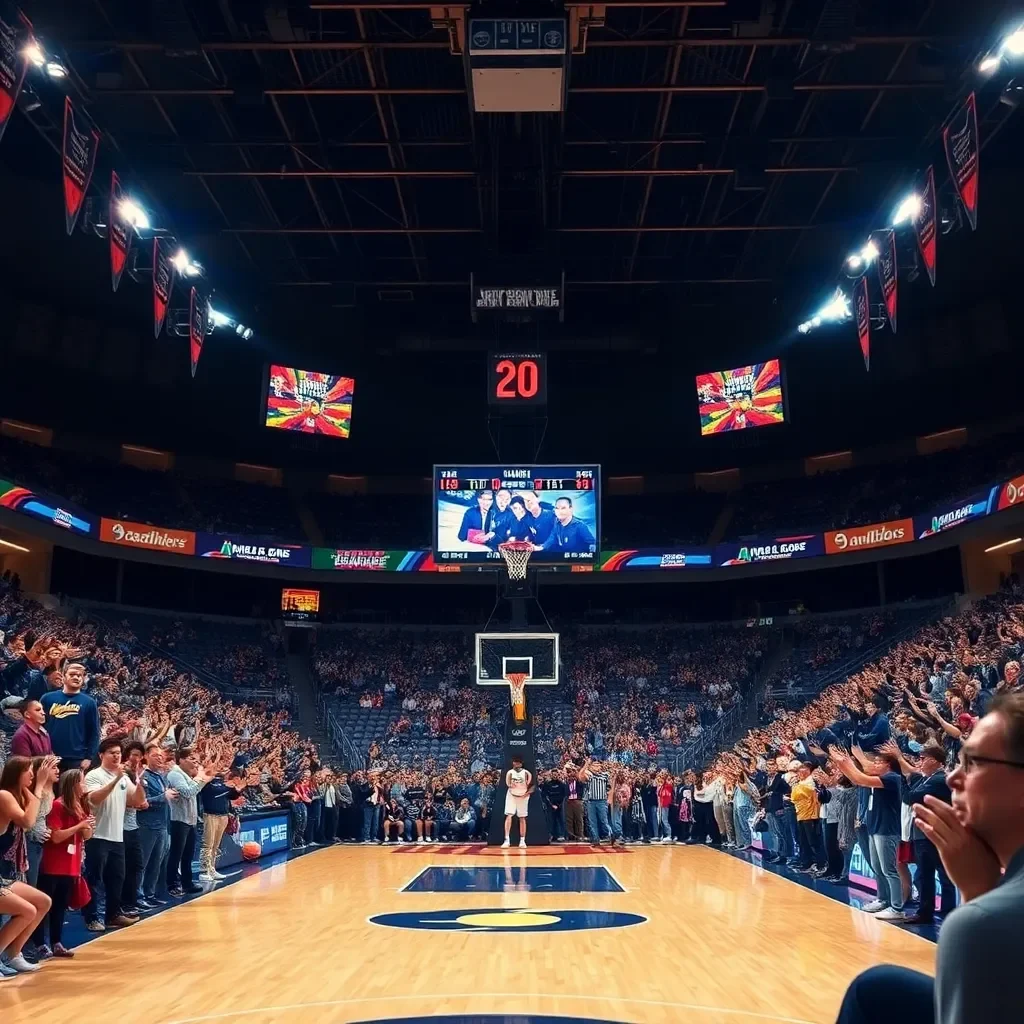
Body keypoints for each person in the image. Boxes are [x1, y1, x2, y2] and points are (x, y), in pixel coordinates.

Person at [835, 692, 1024, 1023]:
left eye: (974, 762)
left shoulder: (983, 924)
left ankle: (895, 904)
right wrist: (980, 890)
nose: (952, 778)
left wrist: (977, 904)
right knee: (876, 991)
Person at [831, 744, 906, 922]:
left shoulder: (892, 778)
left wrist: (846, 761)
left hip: (887, 829)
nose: (875, 764)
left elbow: (859, 779)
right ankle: (882, 899)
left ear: (888, 765)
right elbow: (856, 777)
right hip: (874, 827)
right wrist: (841, 763)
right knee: (878, 868)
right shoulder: (878, 777)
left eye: (879, 762)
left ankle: (897, 907)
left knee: (889, 869)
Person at [0, 754, 56, 976]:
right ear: (17, 773)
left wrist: (40, 788)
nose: (33, 775)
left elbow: (38, 812)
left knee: (43, 902)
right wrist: (40, 786)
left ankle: (13, 954)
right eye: (29, 771)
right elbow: (28, 822)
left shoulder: (19, 794)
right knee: (27, 910)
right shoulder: (4, 795)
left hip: (4, 874)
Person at [32, 769, 95, 959]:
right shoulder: (58, 806)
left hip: (71, 864)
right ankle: (39, 943)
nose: (85, 786)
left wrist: (87, 826)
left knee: (60, 906)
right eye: (82, 782)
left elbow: (87, 836)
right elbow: (56, 836)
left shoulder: (81, 805)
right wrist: (79, 825)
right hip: (53, 864)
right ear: (73, 784)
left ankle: (56, 942)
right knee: (46, 905)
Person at [83, 736, 143, 932]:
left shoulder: (125, 777)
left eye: (118, 753)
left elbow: (136, 801)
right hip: (97, 835)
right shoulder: (94, 775)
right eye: (112, 753)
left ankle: (113, 915)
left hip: (117, 835)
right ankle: (91, 917)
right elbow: (94, 799)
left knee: (117, 877)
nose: (117, 756)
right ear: (101, 755)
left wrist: (139, 780)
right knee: (94, 879)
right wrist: (117, 778)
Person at [166, 747, 214, 897]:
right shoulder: (175, 774)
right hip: (178, 820)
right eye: (192, 759)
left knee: (187, 855)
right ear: (181, 759)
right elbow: (187, 792)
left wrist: (200, 779)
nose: (195, 762)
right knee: (176, 854)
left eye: (196, 759)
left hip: (190, 820)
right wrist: (201, 780)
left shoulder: (187, 775)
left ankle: (187, 882)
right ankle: (172, 884)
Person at [40, 662, 100, 773]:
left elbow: (94, 732)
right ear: (63, 677)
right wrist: (44, 750)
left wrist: (89, 757)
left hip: (77, 758)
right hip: (50, 755)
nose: (76, 677)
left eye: (80, 675)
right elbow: (39, 727)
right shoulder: (47, 698)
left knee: (72, 790)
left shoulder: (89, 702)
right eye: (72, 674)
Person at [137, 743, 177, 908]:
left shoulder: (160, 777)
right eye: (155, 755)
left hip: (161, 825)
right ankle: (138, 896)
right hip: (147, 825)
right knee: (143, 863)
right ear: (146, 757)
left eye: (161, 755)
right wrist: (163, 796)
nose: (160, 758)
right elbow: (142, 802)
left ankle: (150, 894)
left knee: (156, 862)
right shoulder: (144, 777)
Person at [199, 769, 244, 882]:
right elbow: (216, 793)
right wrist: (229, 787)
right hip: (210, 815)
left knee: (216, 845)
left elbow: (231, 796)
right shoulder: (208, 782)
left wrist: (237, 791)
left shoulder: (223, 784)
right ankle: (203, 871)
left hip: (223, 815)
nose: (224, 769)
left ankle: (212, 869)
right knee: (208, 844)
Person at [579, 758, 612, 845]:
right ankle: (595, 839)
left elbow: (611, 787)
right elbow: (580, 776)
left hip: (602, 801)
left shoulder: (606, 775)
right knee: (592, 822)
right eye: (594, 765)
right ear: (591, 767)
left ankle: (611, 836)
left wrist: (609, 798)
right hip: (591, 801)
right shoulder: (589, 775)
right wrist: (586, 764)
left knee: (604, 821)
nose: (596, 767)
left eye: (598, 765)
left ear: (601, 766)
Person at [502, 756, 532, 849]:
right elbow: (508, 784)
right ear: (513, 763)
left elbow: (532, 786)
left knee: (522, 817)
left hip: (523, 796)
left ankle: (522, 841)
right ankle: (507, 840)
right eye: (515, 762)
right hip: (511, 795)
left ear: (521, 764)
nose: (516, 764)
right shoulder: (510, 772)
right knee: (509, 815)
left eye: (518, 762)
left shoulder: (527, 773)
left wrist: (526, 794)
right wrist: (511, 784)